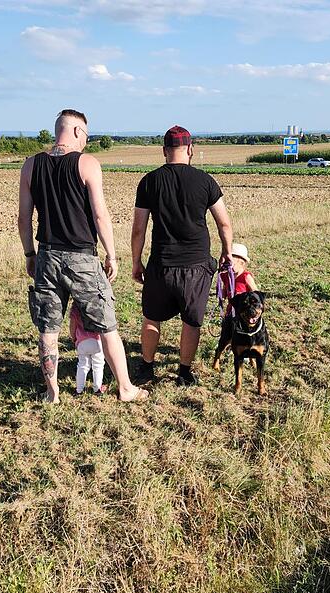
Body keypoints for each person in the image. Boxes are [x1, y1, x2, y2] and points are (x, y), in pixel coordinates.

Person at [18, 108, 148, 404]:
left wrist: (30, 253)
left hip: (47, 256)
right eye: (86, 135)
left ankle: (52, 394)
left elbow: (24, 218)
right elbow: (100, 215)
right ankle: (126, 389)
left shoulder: (30, 166)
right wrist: (112, 255)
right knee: (107, 324)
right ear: (77, 132)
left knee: (48, 329)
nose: (86, 142)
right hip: (82, 259)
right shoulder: (87, 163)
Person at [131, 125, 234, 385]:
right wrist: (227, 252)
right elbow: (224, 224)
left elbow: (138, 230)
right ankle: (184, 372)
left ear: (164, 151)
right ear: (190, 150)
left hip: (161, 264)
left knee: (152, 318)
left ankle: (146, 368)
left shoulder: (149, 181)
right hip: (197, 265)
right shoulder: (206, 181)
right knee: (191, 321)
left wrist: (136, 262)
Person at [69, 305, 106, 395]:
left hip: (82, 341)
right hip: (97, 340)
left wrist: (74, 338)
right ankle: (97, 388)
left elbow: (72, 326)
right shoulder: (98, 304)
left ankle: (79, 389)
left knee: (82, 365)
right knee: (98, 365)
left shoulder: (75, 308)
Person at [221, 242, 258, 314]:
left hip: (245, 309)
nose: (229, 267)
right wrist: (222, 298)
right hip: (231, 308)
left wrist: (254, 304)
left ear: (242, 263)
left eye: (231, 264)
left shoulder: (246, 277)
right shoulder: (226, 276)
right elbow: (225, 289)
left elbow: (255, 292)